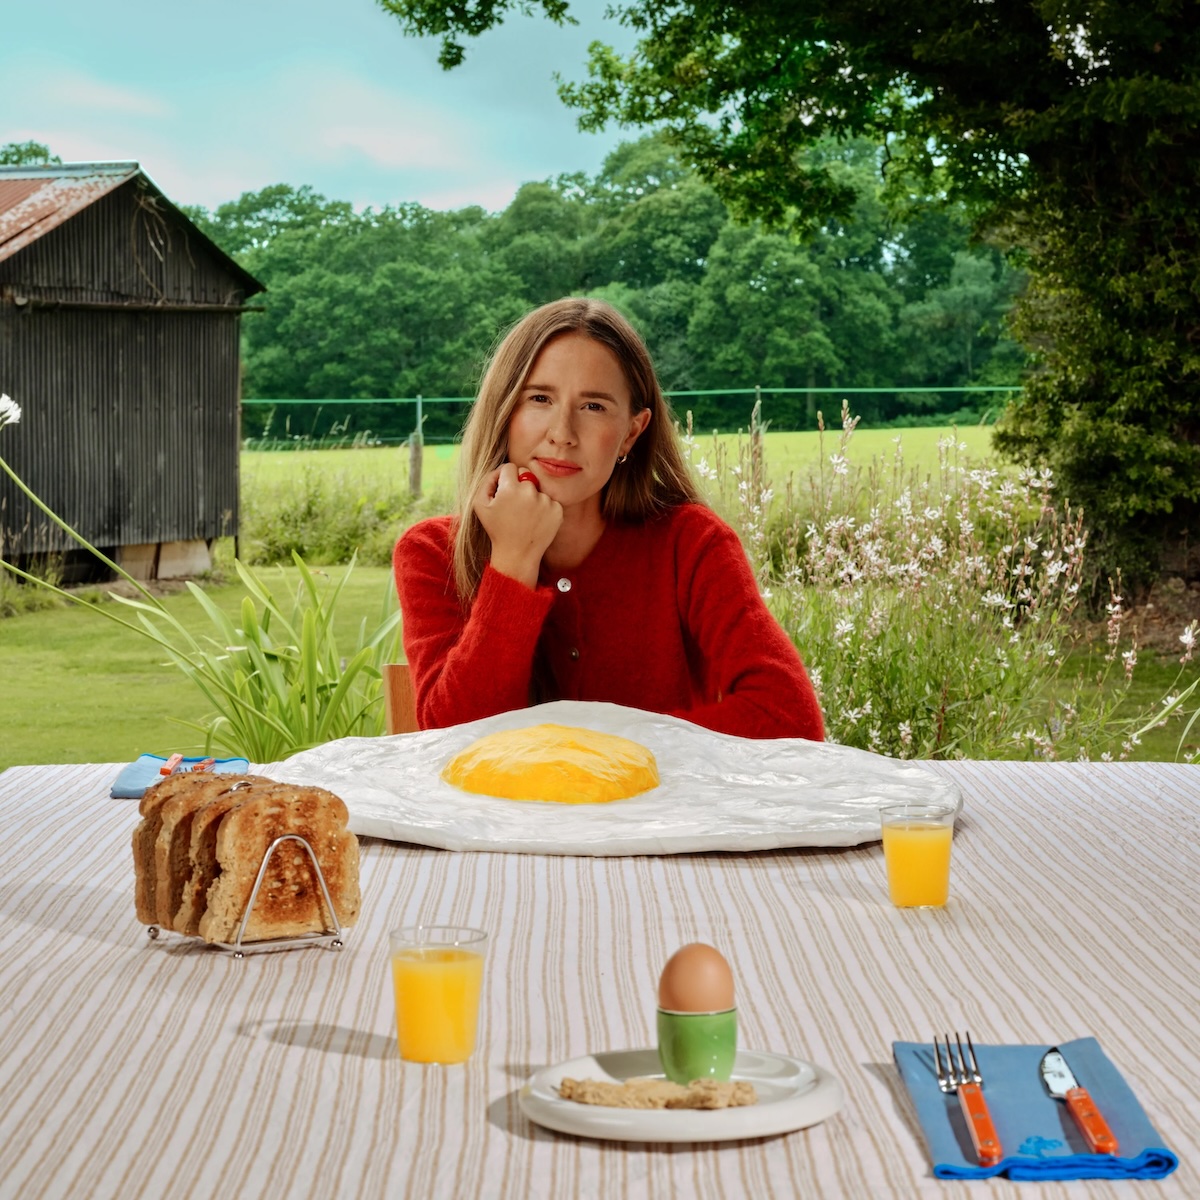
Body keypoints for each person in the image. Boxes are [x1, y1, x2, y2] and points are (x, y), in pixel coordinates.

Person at [393, 297, 824, 740]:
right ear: (505, 413)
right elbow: (454, 739)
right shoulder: (430, 552)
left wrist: (600, 752)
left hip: (660, 810)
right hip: (494, 813)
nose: (562, 434)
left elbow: (790, 720)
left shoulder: (691, 543)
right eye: (539, 398)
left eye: (593, 406)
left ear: (632, 433)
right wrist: (513, 560)